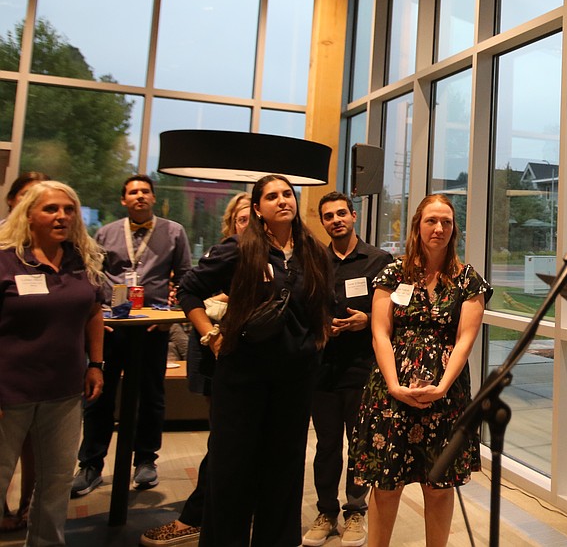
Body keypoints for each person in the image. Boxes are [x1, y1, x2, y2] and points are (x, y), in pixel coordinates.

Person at [178, 175, 338, 547]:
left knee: (284, 473)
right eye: (272, 196)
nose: (283, 200)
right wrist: (208, 334)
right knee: (232, 472)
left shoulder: (313, 251)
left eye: (287, 194)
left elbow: (324, 304)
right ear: (257, 208)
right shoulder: (239, 249)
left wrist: (318, 339)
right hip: (242, 378)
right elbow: (189, 289)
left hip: (295, 380)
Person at [349, 194, 489, 547]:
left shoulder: (468, 280)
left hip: (446, 395)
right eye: (431, 221)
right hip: (390, 393)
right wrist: (394, 385)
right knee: (386, 486)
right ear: (417, 226)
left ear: (454, 228)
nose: (439, 228)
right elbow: (380, 332)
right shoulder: (394, 274)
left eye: (446, 221)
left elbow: (465, 340)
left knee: (439, 487)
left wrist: (442, 387)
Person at [139, 192, 250, 547]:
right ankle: (199, 517)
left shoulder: (275, 261)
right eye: (242, 219)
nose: (248, 225)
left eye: (254, 219)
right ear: (232, 223)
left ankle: (208, 516)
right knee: (222, 439)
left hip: (254, 360)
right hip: (215, 353)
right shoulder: (223, 255)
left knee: (235, 443)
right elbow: (189, 294)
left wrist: (223, 300)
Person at [0, 181, 106, 546]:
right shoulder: (6, 259)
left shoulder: (82, 260)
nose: (61, 216)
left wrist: (96, 364)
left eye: (68, 209)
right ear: (28, 215)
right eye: (51, 209)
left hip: (64, 391)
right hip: (8, 391)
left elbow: (94, 312)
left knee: (57, 481)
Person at [73, 175, 193, 497]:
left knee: (151, 395)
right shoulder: (106, 232)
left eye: (145, 191)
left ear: (153, 198)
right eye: (132, 192)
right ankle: (91, 464)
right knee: (99, 394)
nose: (139, 196)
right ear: (124, 200)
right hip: (112, 326)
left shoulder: (174, 231)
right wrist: (97, 318)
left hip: (151, 327)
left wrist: (170, 317)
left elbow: (183, 278)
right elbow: (94, 276)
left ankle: (145, 461)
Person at [301, 192, 392, 547]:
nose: (336, 220)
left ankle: (356, 511)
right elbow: (303, 306)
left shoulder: (378, 260)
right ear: (322, 222)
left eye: (341, 213)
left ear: (353, 216)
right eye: (328, 216)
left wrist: (365, 320)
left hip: (363, 369)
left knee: (360, 445)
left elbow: (395, 314)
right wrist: (320, 326)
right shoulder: (314, 262)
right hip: (321, 368)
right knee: (325, 446)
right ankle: (326, 511)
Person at [0, 171, 50, 534]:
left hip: (50, 361)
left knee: (39, 444)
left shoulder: (63, 248)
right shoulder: (2, 245)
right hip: (9, 363)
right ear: (13, 201)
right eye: (27, 196)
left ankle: (29, 504)